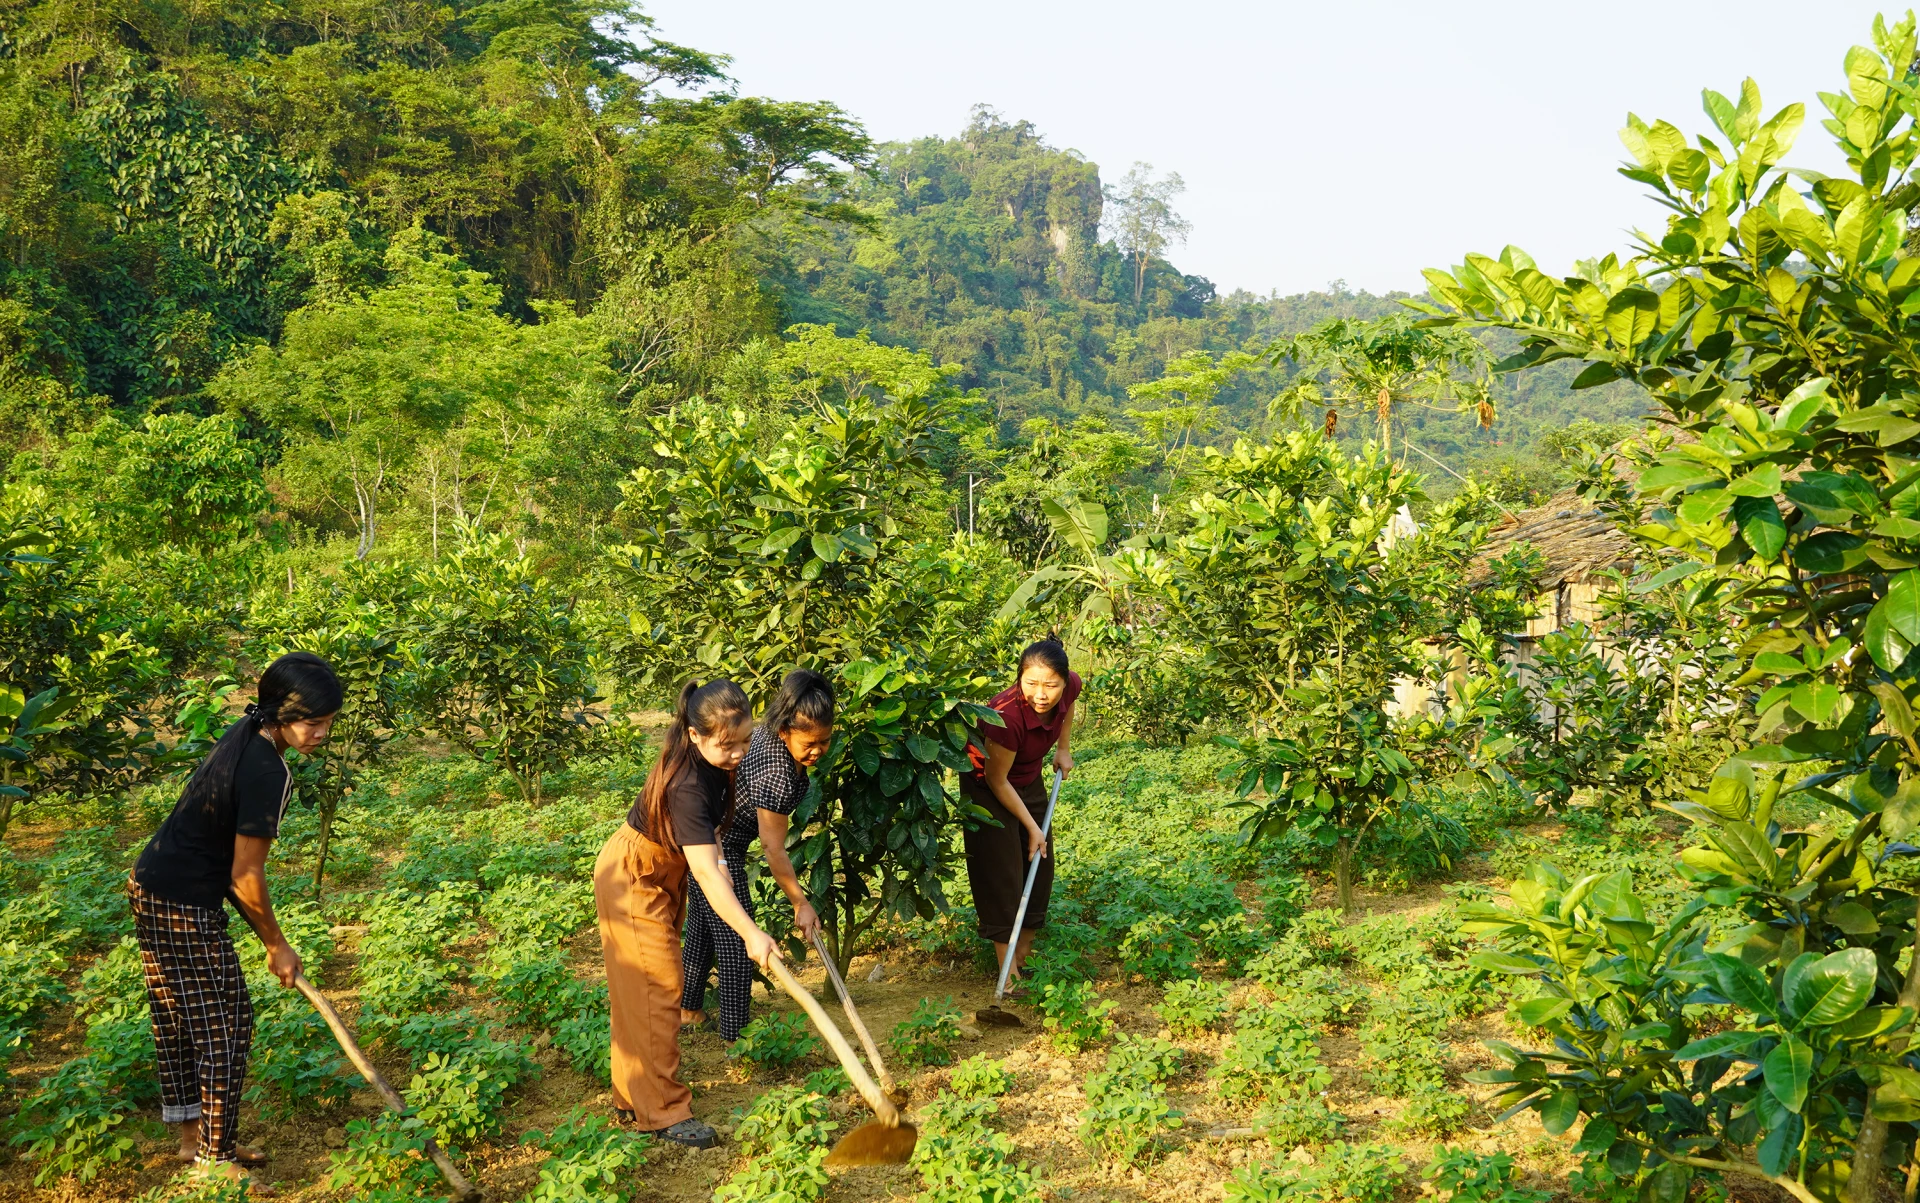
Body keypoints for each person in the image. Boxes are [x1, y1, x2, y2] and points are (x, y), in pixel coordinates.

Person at [129, 652, 343, 1192]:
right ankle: (213, 1160)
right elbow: (245, 875)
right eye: (311, 722)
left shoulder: (246, 731)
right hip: (181, 905)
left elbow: (231, 870)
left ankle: (193, 1137)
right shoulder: (267, 770)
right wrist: (278, 945)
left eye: (328, 722)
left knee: (179, 1018)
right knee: (227, 1025)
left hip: (153, 885)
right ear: (279, 711)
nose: (321, 733)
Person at [594, 679, 780, 1148]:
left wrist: (720, 858)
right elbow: (707, 876)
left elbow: (709, 844)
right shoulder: (687, 783)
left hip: (660, 871)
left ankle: (631, 1095)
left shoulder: (711, 762)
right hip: (634, 876)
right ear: (696, 735)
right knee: (657, 988)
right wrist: (751, 934)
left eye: (744, 741)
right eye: (726, 745)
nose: (738, 753)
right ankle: (663, 1112)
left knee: (640, 990)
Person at [680, 669, 835, 1042]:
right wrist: (800, 902)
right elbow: (772, 847)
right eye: (809, 743)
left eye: (825, 742)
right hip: (716, 846)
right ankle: (738, 1039)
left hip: (711, 835)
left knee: (702, 930)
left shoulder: (769, 729)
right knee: (737, 942)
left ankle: (688, 1011)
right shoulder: (778, 775)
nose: (817, 751)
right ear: (785, 732)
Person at [963, 636, 1079, 988]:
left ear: (1063, 680)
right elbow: (997, 781)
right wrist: (1032, 827)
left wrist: (1063, 747)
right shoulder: (1007, 717)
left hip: (1027, 777)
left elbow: (1069, 702)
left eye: (1050, 685)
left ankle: (1024, 954)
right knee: (1003, 871)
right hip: (986, 787)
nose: (1041, 694)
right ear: (1019, 680)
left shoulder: (1070, 685)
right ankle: (1007, 973)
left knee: (1040, 863)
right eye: (1031, 684)